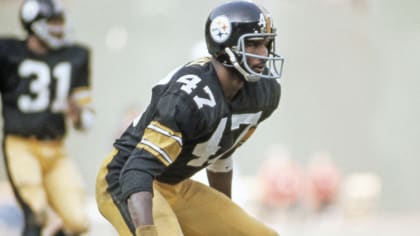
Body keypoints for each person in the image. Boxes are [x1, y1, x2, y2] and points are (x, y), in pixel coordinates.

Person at [96, 1, 284, 235]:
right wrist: (146, 230)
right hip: (126, 177)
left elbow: (222, 153)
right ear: (225, 45)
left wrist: (223, 215)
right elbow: (138, 170)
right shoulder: (189, 98)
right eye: (254, 44)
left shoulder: (263, 93)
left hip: (175, 184)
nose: (264, 54)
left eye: (266, 44)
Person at [0, 0, 95, 235]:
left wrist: (79, 114)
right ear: (34, 24)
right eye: (53, 22)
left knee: (78, 221)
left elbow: (86, 120)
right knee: (37, 213)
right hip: (20, 145)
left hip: (56, 149)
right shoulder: (8, 52)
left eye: (60, 21)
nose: (59, 27)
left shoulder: (76, 56)